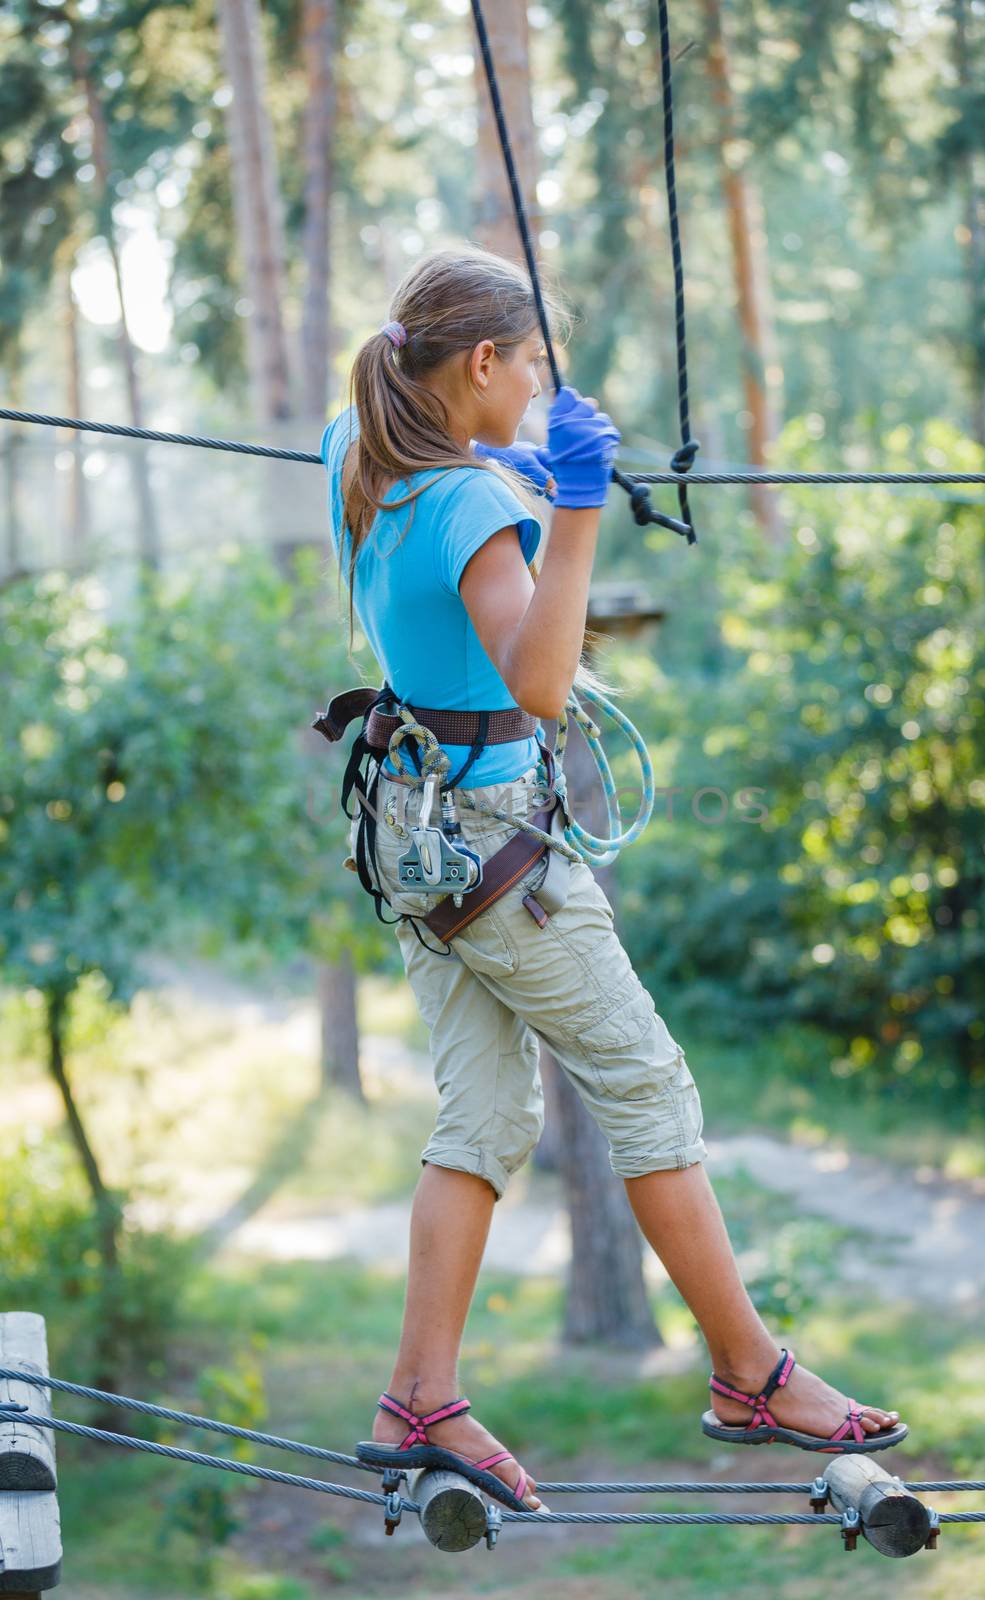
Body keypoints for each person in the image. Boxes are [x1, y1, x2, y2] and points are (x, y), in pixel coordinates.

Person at [319, 245, 905, 1516]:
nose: (538, 383)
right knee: (644, 1087)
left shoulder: (360, 455)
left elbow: (441, 499)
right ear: (480, 363)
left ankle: (418, 1394)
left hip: (416, 842)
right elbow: (538, 682)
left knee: (482, 1120)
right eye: (529, 362)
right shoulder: (476, 511)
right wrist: (568, 501)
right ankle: (749, 1367)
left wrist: (507, 467)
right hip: (493, 841)